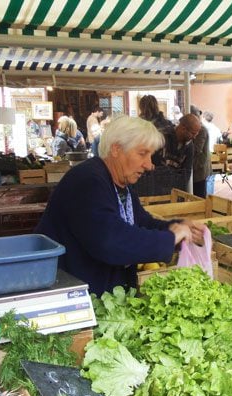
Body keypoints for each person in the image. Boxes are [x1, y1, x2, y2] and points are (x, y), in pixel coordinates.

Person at [35, 116, 205, 296]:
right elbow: (111, 241)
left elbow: (140, 222)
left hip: (103, 292)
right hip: (72, 297)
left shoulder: (120, 184)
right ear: (116, 149)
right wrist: (170, 238)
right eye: (142, 154)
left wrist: (175, 227)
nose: (149, 165)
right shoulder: (87, 181)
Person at [138, 95, 177, 166]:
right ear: (156, 106)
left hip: (146, 162)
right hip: (166, 163)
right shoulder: (167, 124)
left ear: (141, 108)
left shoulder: (140, 125)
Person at [190, 105, 211, 198]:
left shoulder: (201, 129)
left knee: (199, 198)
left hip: (199, 169)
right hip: (196, 168)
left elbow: (197, 149)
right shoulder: (200, 128)